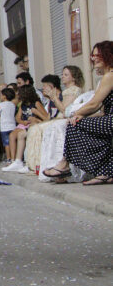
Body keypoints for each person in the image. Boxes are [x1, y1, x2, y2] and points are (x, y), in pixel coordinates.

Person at [44, 41, 113, 185]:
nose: (93, 58)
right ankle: (105, 172)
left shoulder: (110, 75)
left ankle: (64, 165)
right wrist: (82, 114)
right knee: (78, 124)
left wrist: (77, 114)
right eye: (92, 55)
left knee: (74, 125)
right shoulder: (108, 76)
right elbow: (100, 108)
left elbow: (94, 103)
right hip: (109, 119)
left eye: (97, 55)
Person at [37, 66, 85, 183]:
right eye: (63, 74)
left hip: (68, 118)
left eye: (66, 75)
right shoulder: (67, 90)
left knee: (55, 127)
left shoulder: (73, 90)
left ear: (73, 78)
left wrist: (53, 98)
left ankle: (61, 169)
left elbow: (64, 110)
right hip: (65, 118)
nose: (62, 77)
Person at [23, 74, 64, 171]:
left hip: (59, 123)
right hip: (52, 123)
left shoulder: (60, 97)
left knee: (35, 130)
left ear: (51, 86)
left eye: (44, 86)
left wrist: (37, 114)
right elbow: (48, 118)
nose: (43, 89)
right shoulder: (51, 101)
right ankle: (32, 164)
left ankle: (36, 164)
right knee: (33, 128)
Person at [2, 85, 46, 172]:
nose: (18, 95)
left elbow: (46, 117)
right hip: (25, 124)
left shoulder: (36, 103)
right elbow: (17, 117)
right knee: (12, 135)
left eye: (20, 93)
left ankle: (20, 160)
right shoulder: (23, 105)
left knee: (20, 135)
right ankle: (14, 160)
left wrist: (36, 116)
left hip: (35, 124)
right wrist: (23, 122)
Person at [0, 88, 16, 163]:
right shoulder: (12, 104)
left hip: (4, 127)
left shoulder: (1, 104)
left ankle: (9, 158)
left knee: (6, 143)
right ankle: (14, 158)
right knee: (13, 142)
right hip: (13, 126)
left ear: (4, 96)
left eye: (0, 95)